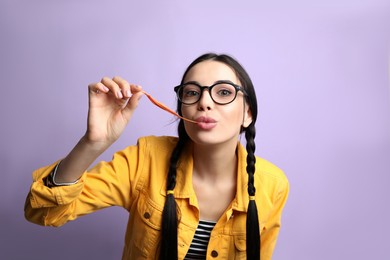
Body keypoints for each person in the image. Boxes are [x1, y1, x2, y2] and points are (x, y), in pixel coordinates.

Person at [24, 53, 289, 260]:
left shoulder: (273, 185)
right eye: (192, 92)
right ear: (181, 109)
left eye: (223, 92)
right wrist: (93, 143)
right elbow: (42, 212)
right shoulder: (145, 159)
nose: (204, 102)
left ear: (248, 114)